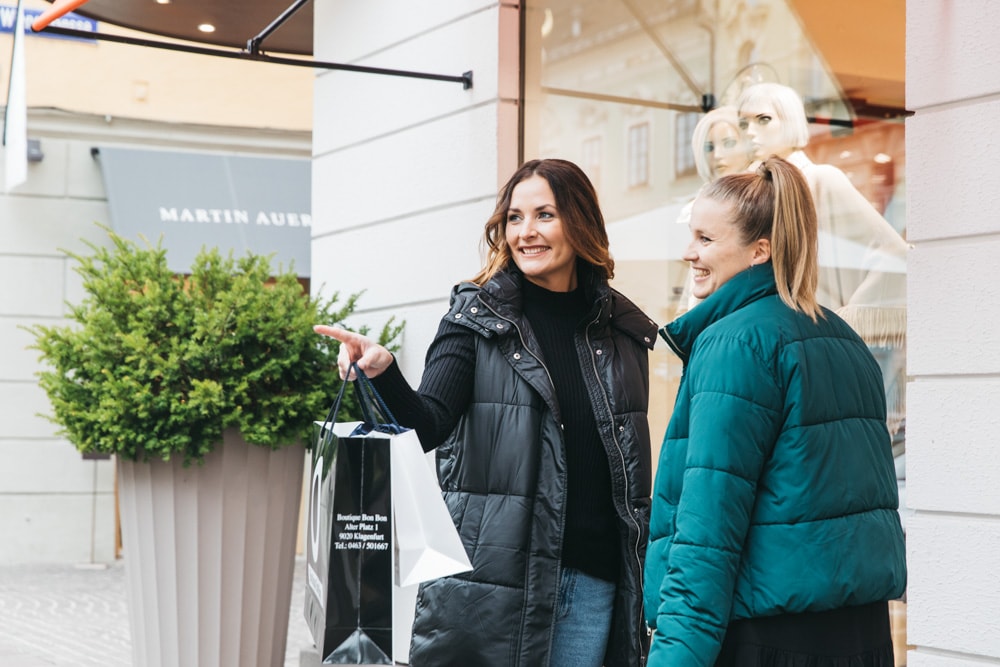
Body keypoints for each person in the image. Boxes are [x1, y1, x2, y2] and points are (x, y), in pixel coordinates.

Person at [315, 158, 657, 667]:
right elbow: (427, 425)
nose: (526, 232)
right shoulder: (474, 320)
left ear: (580, 222)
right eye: (515, 218)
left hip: (593, 583)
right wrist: (384, 370)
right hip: (493, 588)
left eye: (545, 215)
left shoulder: (623, 333)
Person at [644, 156, 907, 665]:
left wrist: (674, 656)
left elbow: (706, 533)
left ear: (759, 250)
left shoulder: (734, 344)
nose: (688, 254)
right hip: (860, 634)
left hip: (766, 637)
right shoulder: (844, 338)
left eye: (705, 239)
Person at [736, 81, 908, 437]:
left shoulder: (820, 181)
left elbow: (895, 256)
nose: (751, 132)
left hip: (810, 358)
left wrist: (839, 330)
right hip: (760, 354)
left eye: (763, 119)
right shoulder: (746, 191)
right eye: (744, 123)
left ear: (791, 121)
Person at [675, 106, 755, 315]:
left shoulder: (759, 201)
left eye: (729, 144)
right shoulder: (702, 202)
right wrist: (684, 310)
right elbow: (695, 274)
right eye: (709, 147)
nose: (718, 155)